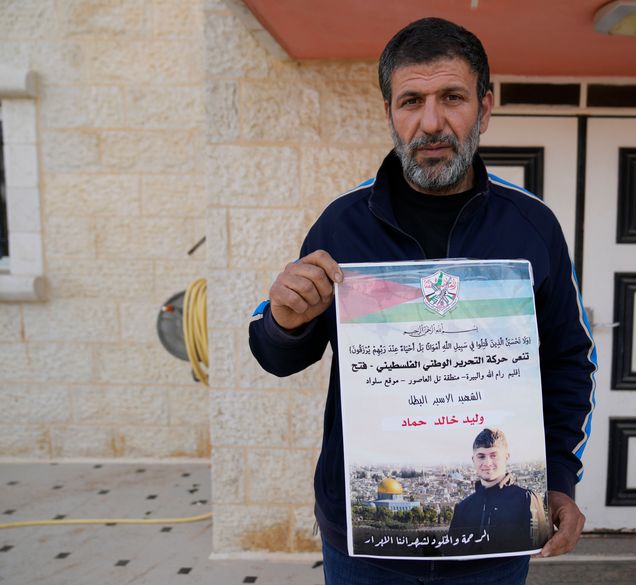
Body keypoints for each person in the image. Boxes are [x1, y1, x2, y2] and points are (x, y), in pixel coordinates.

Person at [249, 16, 597, 585]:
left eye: (452, 98)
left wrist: (558, 477)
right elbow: (279, 354)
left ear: (484, 108)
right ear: (389, 112)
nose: (431, 122)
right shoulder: (343, 225)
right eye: (411, 100)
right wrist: (283, 322)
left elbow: (569, 361)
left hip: (495, 540)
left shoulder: (532, 228)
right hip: (367, 543)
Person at [448, 429, 550, 555]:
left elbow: (538, 548)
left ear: (506, 457)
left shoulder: (526, 499)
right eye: (481, 456)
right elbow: (453, 552)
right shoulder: (463, 507)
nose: (487, 463)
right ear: (473, 459)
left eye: (493, 455)